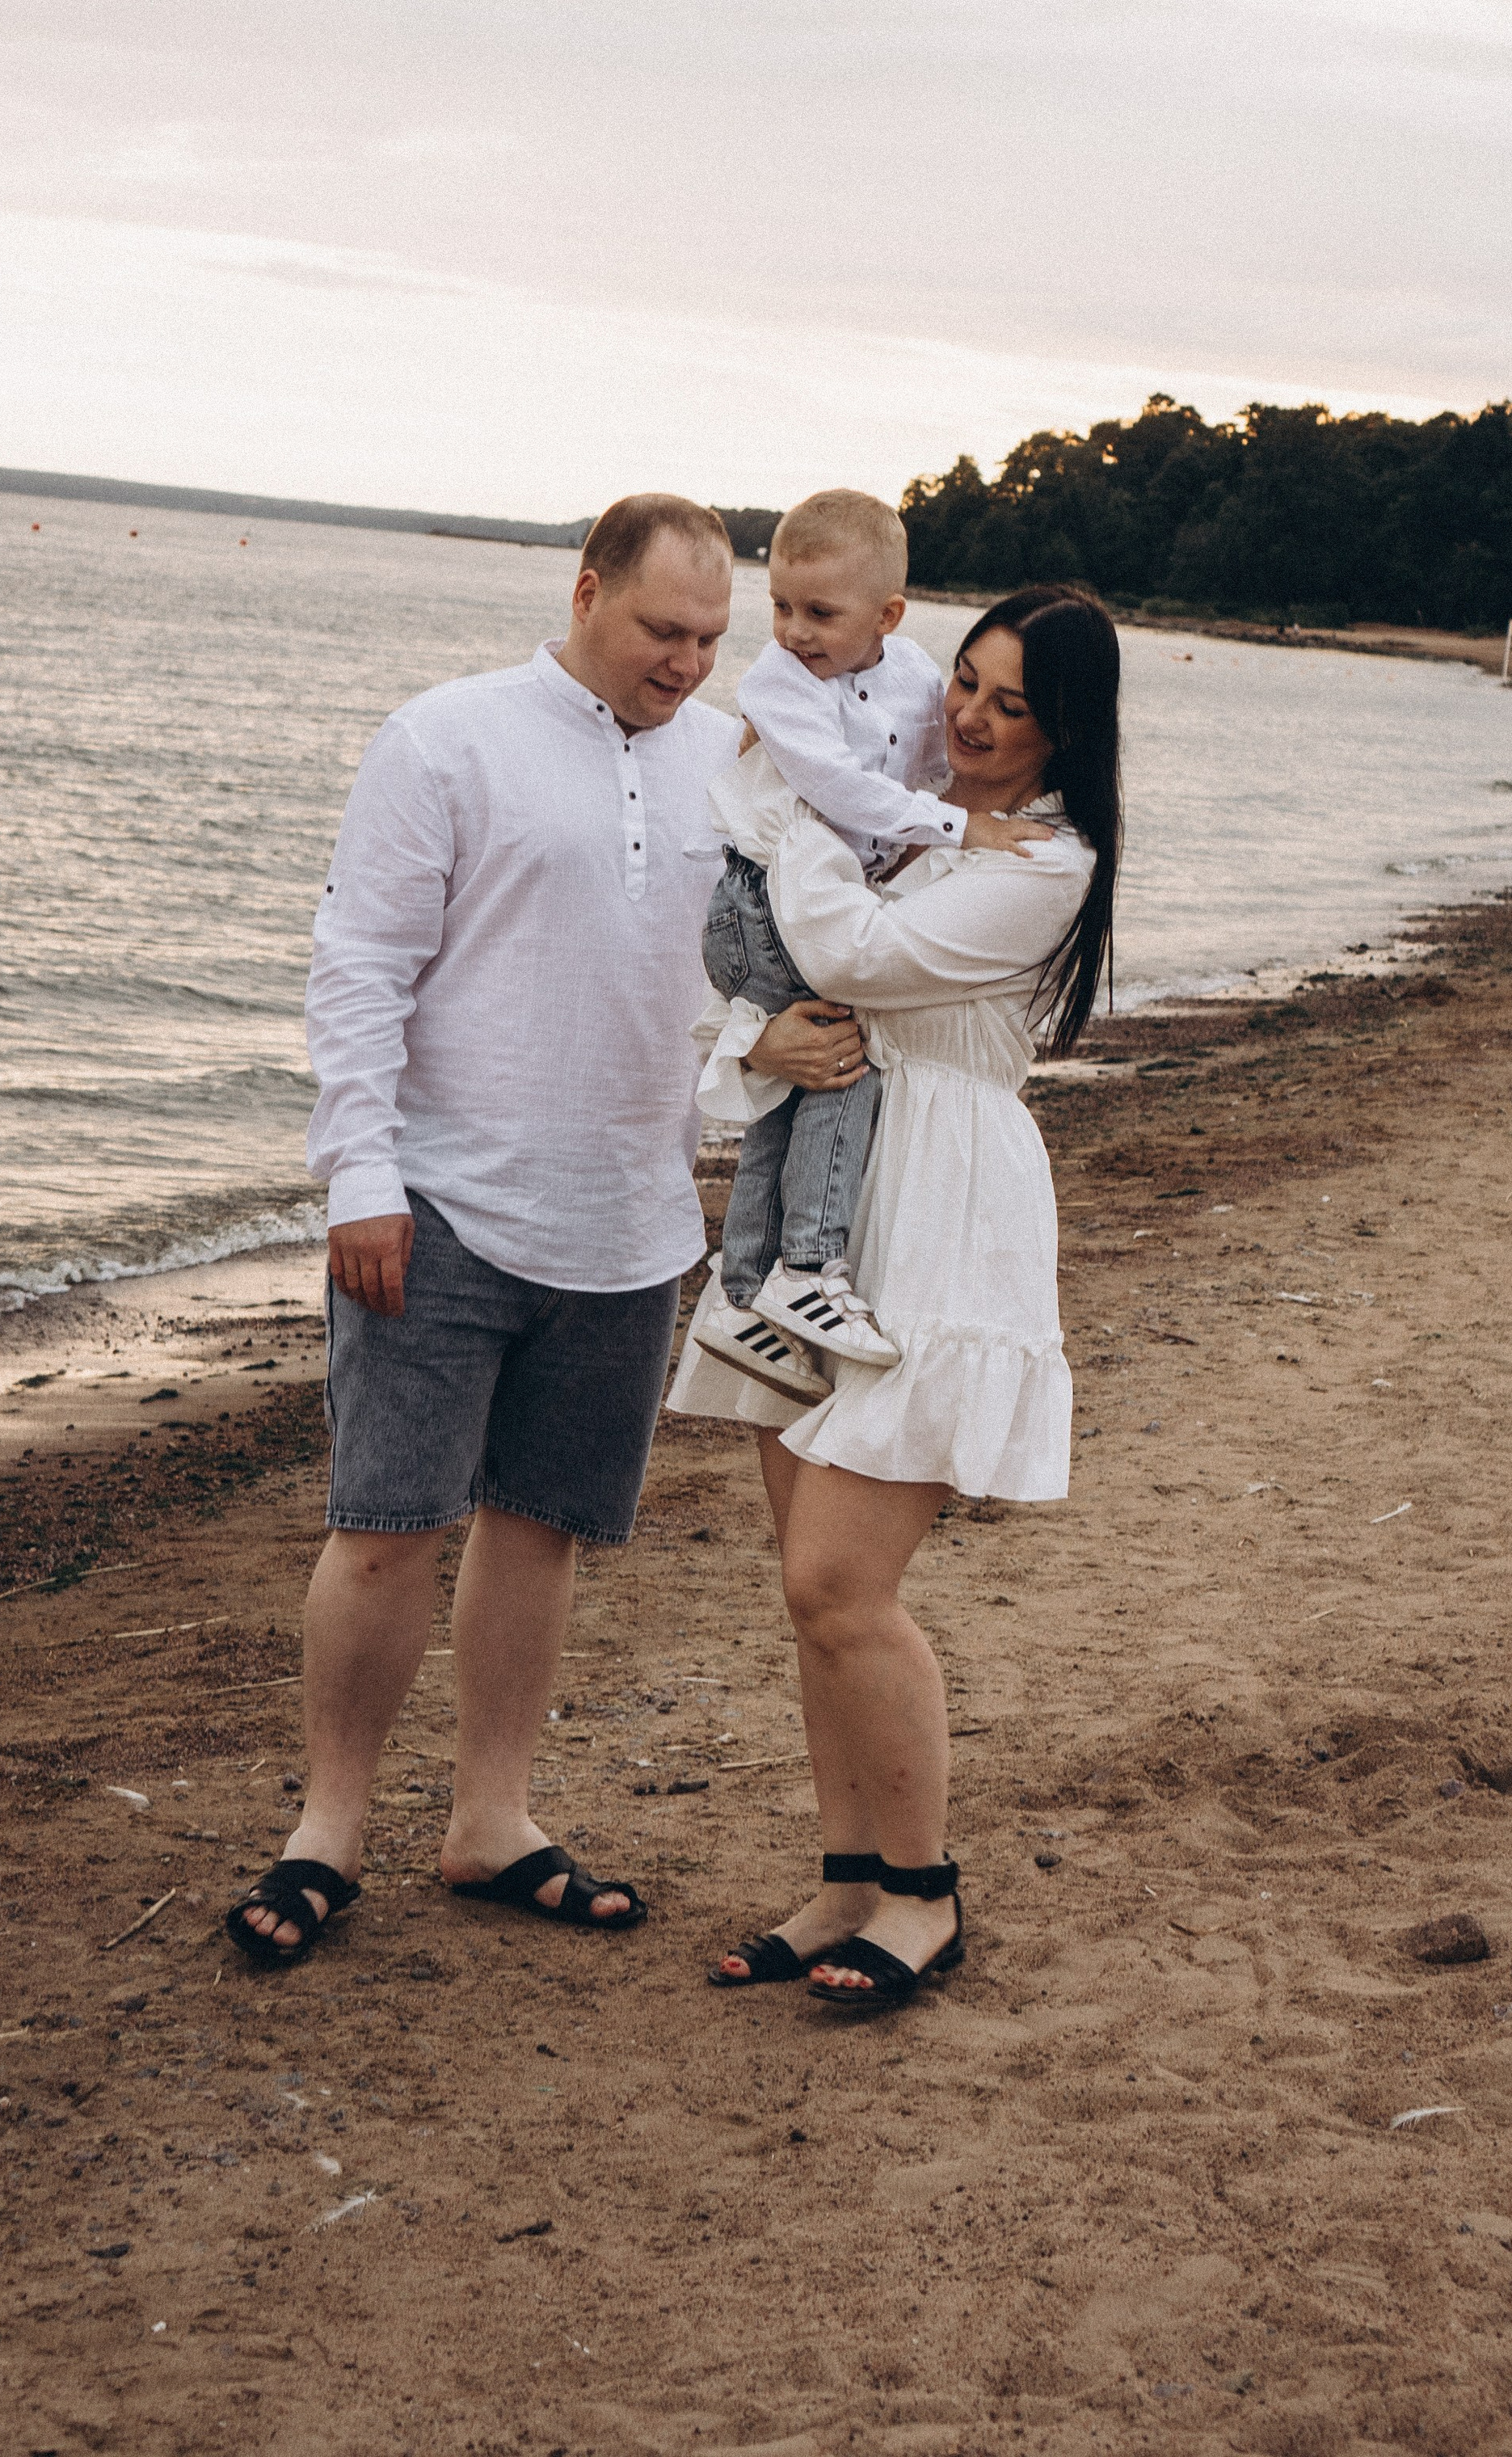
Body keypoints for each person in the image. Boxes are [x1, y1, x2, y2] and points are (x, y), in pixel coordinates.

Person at [226, 495, 770, 1968]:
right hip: (442, 1205)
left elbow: (791, 942)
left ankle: (493, 1822)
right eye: (663, 630)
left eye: (714, 639)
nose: (687, 664)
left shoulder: (735, 763)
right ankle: (329, 1827)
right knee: (388, 1527)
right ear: (587, 590)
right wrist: (359, 1179)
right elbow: (359, 967)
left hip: (636, 1219)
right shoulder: (446, 737)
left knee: (542, 1533)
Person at [671, 586, 1122, 2012]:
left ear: (1067, 733)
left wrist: (794, 803)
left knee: (840, 1582)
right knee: (807, 1591)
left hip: (940, 1207)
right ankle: (849, 1877)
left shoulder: (1048, 860)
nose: (973, 720)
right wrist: (767, 1046)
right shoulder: (916, 807)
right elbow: (786, 978)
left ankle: (924, 1895)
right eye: (966, 687)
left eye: (1011, 704)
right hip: (826, 1182)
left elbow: (858, 957)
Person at [695, 489, 1048, 1402]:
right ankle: (797, 1269)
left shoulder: (915, 676)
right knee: (838, 1050)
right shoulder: (776, 684)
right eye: (778, 606)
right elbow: (843, 794)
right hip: (757, 905)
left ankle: (746, 1288)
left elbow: (933, 753)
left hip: (804, 896)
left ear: (889, 615)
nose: (793, 631)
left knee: (810, 1071)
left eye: (819, 612)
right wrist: (959, 831)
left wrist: (956, 814)